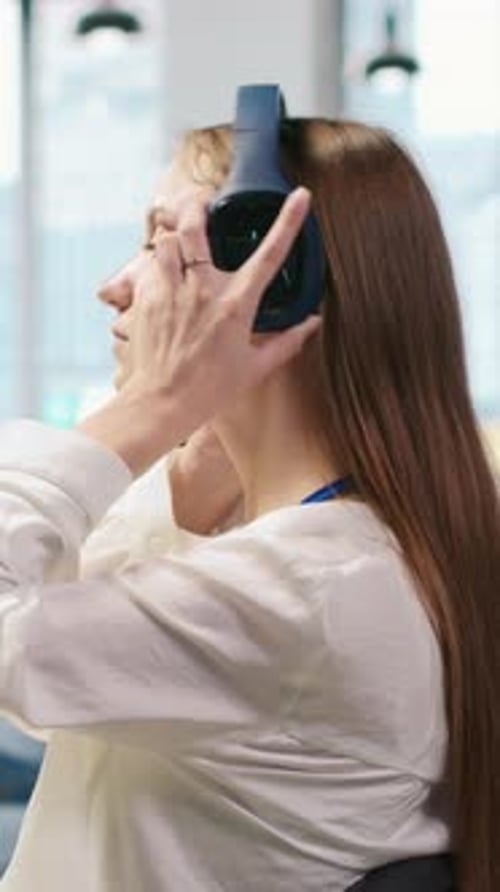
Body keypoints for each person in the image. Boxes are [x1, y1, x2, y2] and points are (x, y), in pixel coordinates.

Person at [0, 116, 498, 892]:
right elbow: (48, 689)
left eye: (160, 244)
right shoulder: (323, 552)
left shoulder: (314, 590)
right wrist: (181, 496)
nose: (116, 285)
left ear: (268, 295)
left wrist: (153, 406)